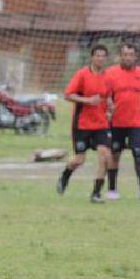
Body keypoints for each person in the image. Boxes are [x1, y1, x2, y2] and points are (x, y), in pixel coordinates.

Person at [57, 45, 113, 203]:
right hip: (82, 124)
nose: (100, 59)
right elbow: (68, 95)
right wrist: (87, 100)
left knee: (105, 156)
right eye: (97, 56)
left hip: (101, 124)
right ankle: (65, 175)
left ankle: (96, 193)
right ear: (92, 57)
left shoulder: (108, 77)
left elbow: (107, 97)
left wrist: (110, 105)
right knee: (79, 160)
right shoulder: (82, 74)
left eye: (103, 56)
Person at [105, 43, 140, 200]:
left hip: (136, 123)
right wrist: (108, 109)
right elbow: (105, 96)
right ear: (120, 56)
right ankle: (112, 189)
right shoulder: (111, 73)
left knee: (139, 153)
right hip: (116, 123)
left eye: (131, 54)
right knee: (115, 154)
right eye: (125, 54)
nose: (128, 57)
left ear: (135, 56)